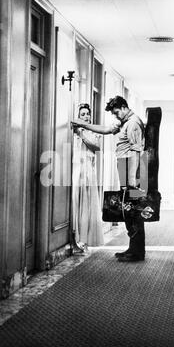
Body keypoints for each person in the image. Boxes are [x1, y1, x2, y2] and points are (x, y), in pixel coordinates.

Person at [71, 96, 146, 262]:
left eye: (117, 112)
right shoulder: (124, 121)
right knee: (129, 208)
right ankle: (134, 248)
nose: (116, 116)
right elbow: (106, 129)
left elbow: (137, 152)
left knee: (132, 208)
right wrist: (83, 124)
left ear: (124, 107)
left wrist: (132, 181)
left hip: (132, 169)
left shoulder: (133, 123)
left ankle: (137, 251)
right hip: (126, 167)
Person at [71, 103, 104, 251]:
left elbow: (96, 148)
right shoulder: (73, 132)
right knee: (75, 203)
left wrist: (82, 134)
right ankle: (75, 239)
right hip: (75, 169)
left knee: (87, 203)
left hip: (88, 170)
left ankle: (84, 239)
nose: (85, 116)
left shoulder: (93, 132)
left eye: (87, 114)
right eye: (82, 114)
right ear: (78, 116)